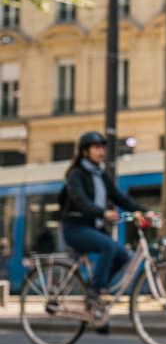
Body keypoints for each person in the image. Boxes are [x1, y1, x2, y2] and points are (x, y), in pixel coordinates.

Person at [61, 131, 143, 327]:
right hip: (75, 228)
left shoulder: (100, 174)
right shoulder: (76, 174)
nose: (101, 152)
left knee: (122, 254)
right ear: (85, 152)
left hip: (93, 228)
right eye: (96, 147)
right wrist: (103, 212)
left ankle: (96, 292)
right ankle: (98, 291)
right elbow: (81, 202)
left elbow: (120, 197)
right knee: (109, 246)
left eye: (103, 148)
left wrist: (144, 212)